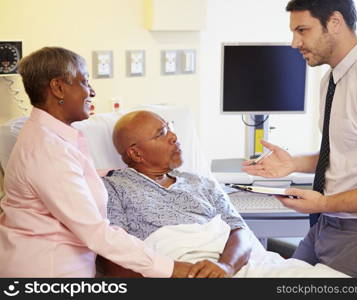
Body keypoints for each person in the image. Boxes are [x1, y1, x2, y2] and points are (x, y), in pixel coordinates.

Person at [243, 0, 357, 277]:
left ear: (334, 23)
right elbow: (344, 153)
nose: (294, 42)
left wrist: (324, 203)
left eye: (302, 30)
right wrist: (294, 164)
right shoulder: (331, 80)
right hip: (327, 225)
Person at [0, 47, 192, 278]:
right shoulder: (49, 151)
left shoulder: (52, 136)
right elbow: (96, 232)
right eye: (84, 81)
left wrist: (120, 172)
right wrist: (173, 269)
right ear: (58, 87)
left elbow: (70, 178)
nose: (91, 91)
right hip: (50, 272)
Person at [100, 110, 252, 278]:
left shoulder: (201, 182)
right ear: (136, 154)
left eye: (169, 127)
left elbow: (240, 230)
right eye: (161, 133)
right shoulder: (113, 187)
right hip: (175, 269)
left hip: (230, 265)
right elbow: (113, 255)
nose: (173, 136)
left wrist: (226, 266)